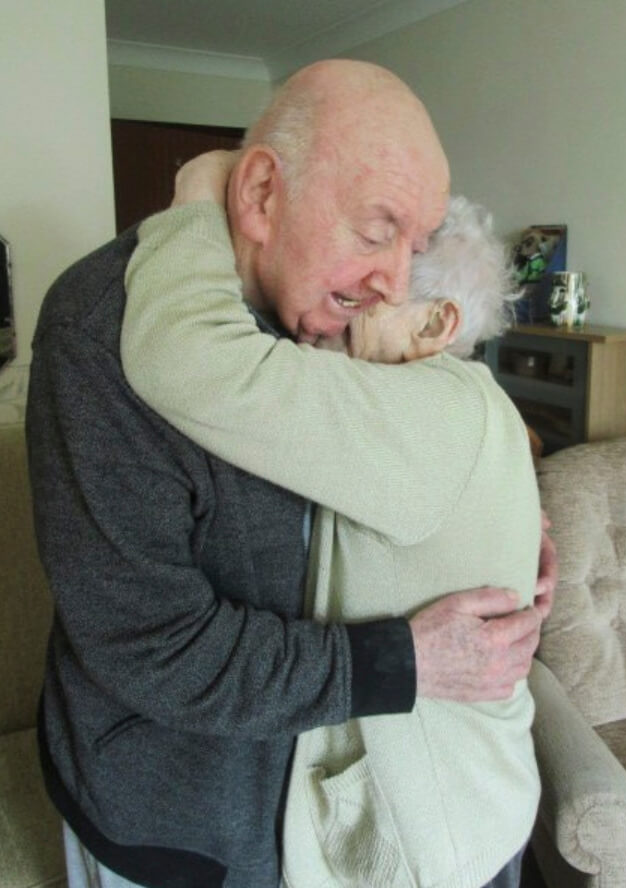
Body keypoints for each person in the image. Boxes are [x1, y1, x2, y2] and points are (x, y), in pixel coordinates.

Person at [25, 59, 554, 888]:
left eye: (413, 250)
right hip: (174, 817)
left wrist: (508, 538)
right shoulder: (101, 332)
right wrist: (400, 663)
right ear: (263, 194)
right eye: (376, 232)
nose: (390, 286)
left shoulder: (334, 326)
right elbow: (154, 645)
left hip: (322, 815)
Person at [122, 168, 543, 888]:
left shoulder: (416, 412)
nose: (329, 321)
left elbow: (189, 357)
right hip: (474, 809)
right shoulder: (465, 401)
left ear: (437, 324)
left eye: (367, 301)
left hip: (428, 839)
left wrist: (194, 204)